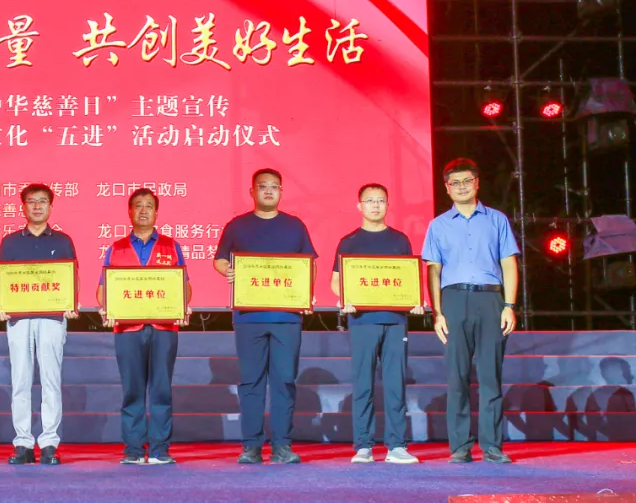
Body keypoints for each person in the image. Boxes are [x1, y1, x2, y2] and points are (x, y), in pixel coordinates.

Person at [214, 168, 316, 465]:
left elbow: (308, 264)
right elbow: (220, 259)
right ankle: (251, 446)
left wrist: (306, 293)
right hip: (249, 316)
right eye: (263, 186)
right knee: (251, 382)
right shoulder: (237, 225)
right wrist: (227, 269)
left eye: (274, 186)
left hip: (286, 317)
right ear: (252, 191)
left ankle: (282, 446)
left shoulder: (295, 226)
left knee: (285, 381)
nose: (269, 191)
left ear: (281, 191)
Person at [422, 158, 519, 464]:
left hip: (490, 300)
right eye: (455, 183)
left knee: (491, 376)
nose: (461, 187)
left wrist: (509, 305)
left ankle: (492, 446)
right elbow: (433, 270)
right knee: (457, 377)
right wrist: (437, 313)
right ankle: (460, 446)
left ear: (477, 183)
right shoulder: (438, 225)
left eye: (467, 181)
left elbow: (508, 263)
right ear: (447, 188)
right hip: (453, 301)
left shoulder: (497, 220)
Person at [330, 183, 424, 465]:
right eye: (370, 200)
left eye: (381, 200)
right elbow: (336, 281)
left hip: (395, 320)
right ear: (359, 206)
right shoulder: (349, 242)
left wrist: (415, 299)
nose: (375, 205)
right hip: (362, 320)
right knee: (363, 384)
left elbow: (408, 278)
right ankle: (363, 446)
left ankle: (397, 445)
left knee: (395, 383)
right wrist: (345, 298)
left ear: (387, 205)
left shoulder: (400, 240)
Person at [96, 188, 192, 465]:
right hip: (127, 330)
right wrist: (108, 308)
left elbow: (184, 286)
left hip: (164, 328)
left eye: (149, 205)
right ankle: (134, 450)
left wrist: (181, 305)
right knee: (132, 390)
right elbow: (103, 290)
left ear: (156, 212)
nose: (143, 210)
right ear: (129, 212)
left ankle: (160, 449)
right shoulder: (116, 248)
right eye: (138, 205)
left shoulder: (171, 246)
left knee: (161, 389)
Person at [0, 183, 80, 466]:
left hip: (52, 318)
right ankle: (22, 442)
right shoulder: (10, 242)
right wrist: (1, 305)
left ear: (50, 207)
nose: (37, 206)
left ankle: (48, 443)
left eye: (42, 201)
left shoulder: (63, 241)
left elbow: (72, 277)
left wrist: (71, 303)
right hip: (18, 319)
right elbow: (4, 280)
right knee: (20, 380)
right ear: (23, 207)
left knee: (50, 380)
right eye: (31, 201)